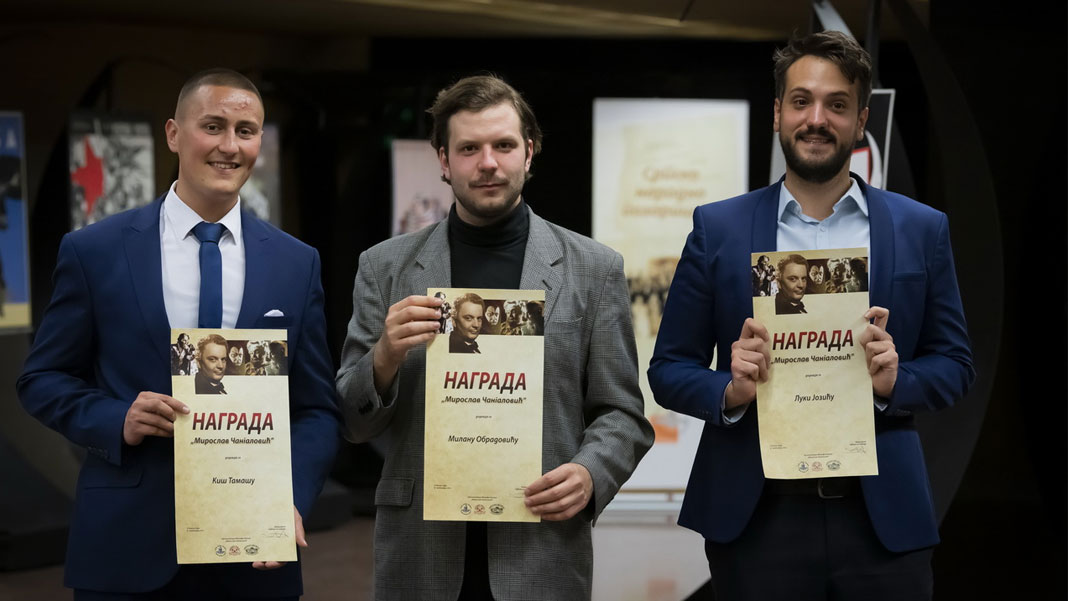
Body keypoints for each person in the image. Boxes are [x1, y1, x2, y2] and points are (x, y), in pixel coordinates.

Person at [648, 31, 974, 601]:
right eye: (801, 101)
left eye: (837, 104)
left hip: (882, 519)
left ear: (861, 120)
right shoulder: (718, 229)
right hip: (755, 520)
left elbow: (955, 365)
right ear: (778, 113)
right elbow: (669, 369)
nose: (816, 119)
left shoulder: (922, 228)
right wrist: (731, 389)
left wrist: (896, 381)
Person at [17, 68, 340, 600]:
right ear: (173, 133)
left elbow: (317, 409)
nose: (229, 146)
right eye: (212, 126)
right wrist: (117, 417)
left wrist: (293, 498)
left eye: (245, 131)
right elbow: (42, 379)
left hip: (253, 548)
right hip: (126, 548)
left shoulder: (296, 263)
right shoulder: (94, 251)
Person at [336, 74, 653, 601]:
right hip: (421, 551)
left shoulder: (593, 269)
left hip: (542, 546)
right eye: (469, 149)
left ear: (529, 152)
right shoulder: (385, 267)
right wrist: (385, 356)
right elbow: (352, 421)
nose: (488, 163)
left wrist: (589, 472)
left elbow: (622, 413)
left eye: (503, 145)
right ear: (443, 160)